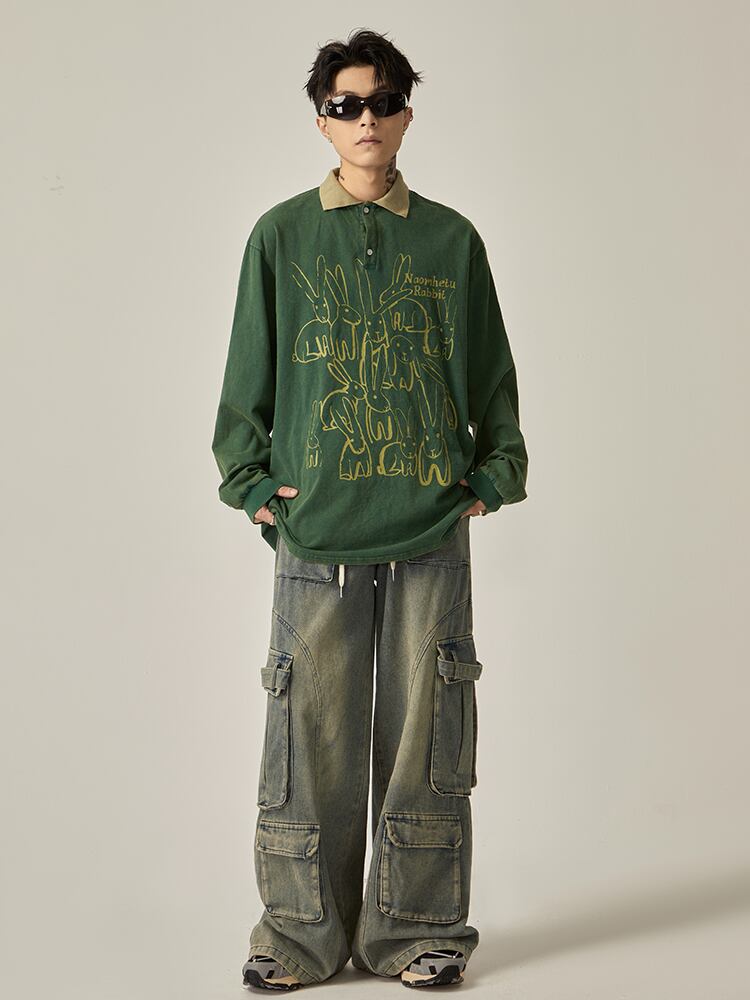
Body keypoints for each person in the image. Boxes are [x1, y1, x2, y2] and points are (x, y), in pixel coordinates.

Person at [211, 28, 528, 992]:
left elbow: (492, 375)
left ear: (406, 115)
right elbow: (246, 382)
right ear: (322, 121)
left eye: (382, 102)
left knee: (426, 734)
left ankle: (416, 932)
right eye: (346, 105)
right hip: (316, 535)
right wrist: (254, 487)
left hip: (430, 529)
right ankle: (298, 935)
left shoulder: (451, 240)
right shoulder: (281, 235)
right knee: (309, 736)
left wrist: (493, 473)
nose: (365, 119)